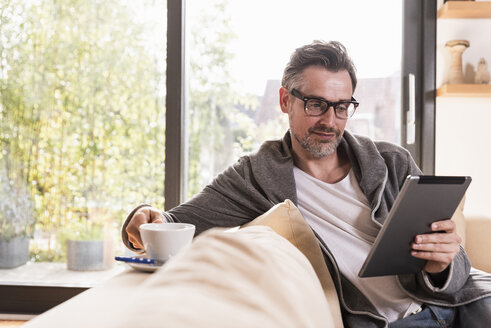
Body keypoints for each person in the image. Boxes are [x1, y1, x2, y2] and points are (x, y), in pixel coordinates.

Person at [122, 40, 491, 327]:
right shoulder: (257, 175)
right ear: (286, 101)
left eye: (342, 106)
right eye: (316, 103)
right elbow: (173, 222)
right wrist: (140, 218)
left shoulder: (393, 162)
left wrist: (441, 264)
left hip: (458, 306)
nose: (330, 120)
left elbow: (457, 268)